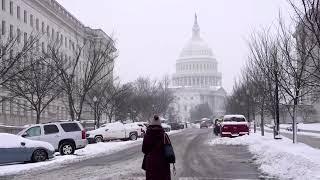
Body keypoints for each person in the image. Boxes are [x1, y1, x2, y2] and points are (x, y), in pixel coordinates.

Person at [142, 115, 171, 180]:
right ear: (160, 124)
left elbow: (144, 150)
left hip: (150, 164)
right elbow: (169, 151)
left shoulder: (147, 136)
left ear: (151, 123)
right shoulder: (164, 135)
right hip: (163, 163)